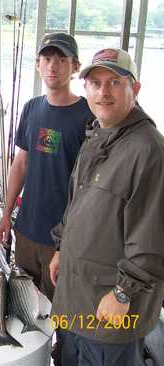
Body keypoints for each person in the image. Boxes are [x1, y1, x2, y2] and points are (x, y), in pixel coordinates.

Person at [49, 48, 164, 365]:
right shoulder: (97, 135)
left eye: (115, 82)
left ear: (135, 89)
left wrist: (123, 293)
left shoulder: (149, 150)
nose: (103, 92)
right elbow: (78, 203)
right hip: (75, 302)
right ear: (85, 88)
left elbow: (152, 238)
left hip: (110, 311)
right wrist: (61, 247)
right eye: (95, 82)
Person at [0, 32, 93, 301]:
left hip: (63, 239)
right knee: (24, 304)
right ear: (38, 64)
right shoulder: (31, 108)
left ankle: (62, 346)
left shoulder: (89, 116)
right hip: (26, 231)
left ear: (75, 67)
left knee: (59, 311)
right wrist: (6, 214)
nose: (53, 66)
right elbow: (21, 163)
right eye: (47, 58)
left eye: (62, 60)